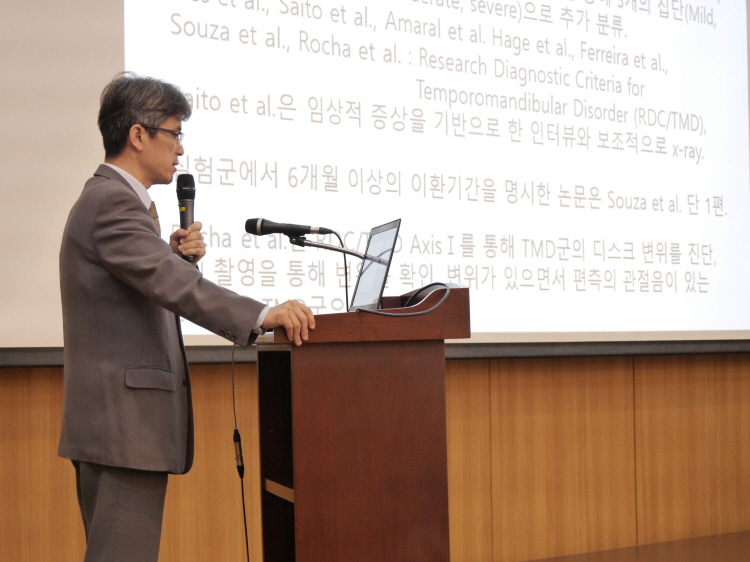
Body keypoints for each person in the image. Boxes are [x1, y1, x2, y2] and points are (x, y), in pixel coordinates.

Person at [58, 72, 315, 562]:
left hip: (117, 430)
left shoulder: (114, 201)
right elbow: (176, 286)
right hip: (122, 430)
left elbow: (149, 281)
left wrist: (171, 256)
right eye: (174, 133)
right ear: (138, 134)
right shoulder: (112, 202)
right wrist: (263, 314)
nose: (181, 149)